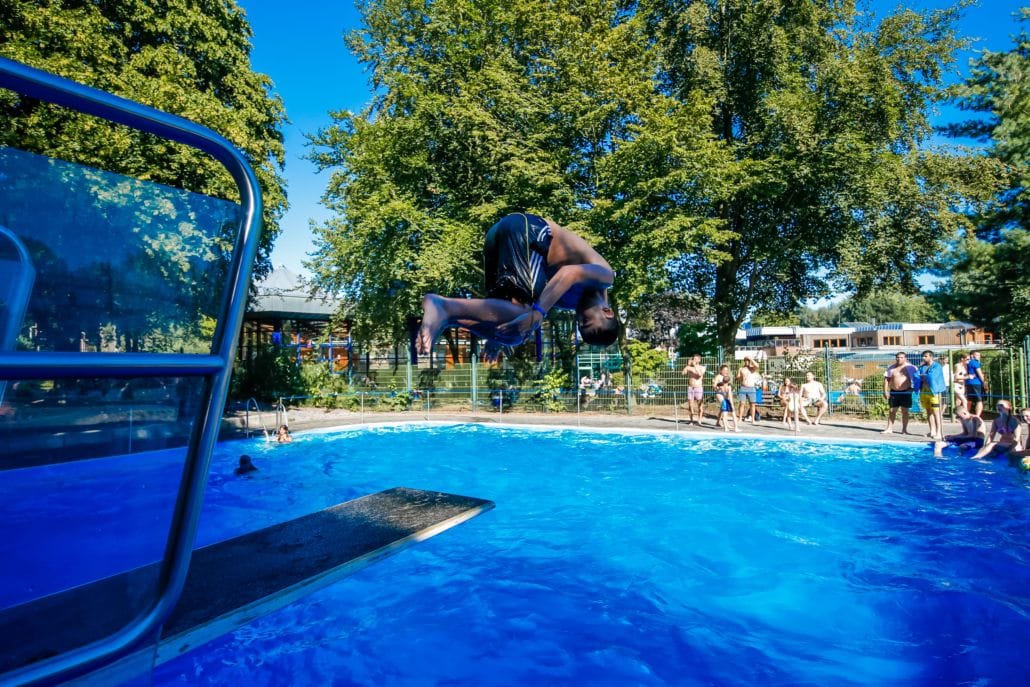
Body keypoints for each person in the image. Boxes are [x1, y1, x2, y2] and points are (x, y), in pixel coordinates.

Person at [417, 213, 617, 357]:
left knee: (515, 332)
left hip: (498, 239)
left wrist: (496, 338)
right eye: (587, 321)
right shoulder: (605, 277)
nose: (580, 317)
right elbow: (569, 273)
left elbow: (518, 310)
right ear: (607, 311)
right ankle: (443, 307)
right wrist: (537, 314)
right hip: (530, 231)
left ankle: (447, 317)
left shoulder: (570, 300)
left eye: (580, 324)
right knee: (527, 316)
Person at [882, 352, 919, 435]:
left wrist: (913, 389)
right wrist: (885, 391)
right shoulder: (891, 368)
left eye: (901, 357)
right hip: (894, 392)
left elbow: (917, 379)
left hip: (906, 392)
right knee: (892, 411)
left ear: (905, 358)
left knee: (905, 411)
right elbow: (886, 380)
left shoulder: (911, 367)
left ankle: (904, 430)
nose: (899, 359)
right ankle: (889, 428)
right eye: (898, 357)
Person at [918, 350, 947, 442]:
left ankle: (939, 432)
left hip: (934, 392)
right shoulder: (922, 367)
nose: (924, 358)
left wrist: (924, 376)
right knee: (928, 411)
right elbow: (918, 376)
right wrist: (923, 376)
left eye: (926, 356)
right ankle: (932, 431)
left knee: (936, 413)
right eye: (923, 356)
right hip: (924, 391)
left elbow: (932, 377)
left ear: (931, 357)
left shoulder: (937, 366)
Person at [681, 354, 706, 426]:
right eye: (693, 359)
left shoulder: (702, 367)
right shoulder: (689, 368)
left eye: (695, 359)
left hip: (698, 387)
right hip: (691, 388)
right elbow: (683, 373)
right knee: (690, 405)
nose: (694, 360)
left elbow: (700, 375)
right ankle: (691, 421)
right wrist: (687, 366)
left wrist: (695, 366)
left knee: (700, 405)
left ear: (699, 360)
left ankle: (699, 420)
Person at [736, 357, 761, 423]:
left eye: (748, 361)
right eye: (746, 361)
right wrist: (739, 377)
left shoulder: (752, 369)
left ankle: (753, 419)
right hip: (743, 387)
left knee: (752, 404)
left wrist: (751, 358)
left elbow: (757, 365)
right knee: (742, 403)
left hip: (751, 388)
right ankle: (740, 418)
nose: (747, 362)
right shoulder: (741, 369)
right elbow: (737, 377)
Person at [964, 350, 987, 417]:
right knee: (979, 400)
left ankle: (966, 414)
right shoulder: (975, 362)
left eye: (979, 355)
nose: (979, 357)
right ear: (972, 355)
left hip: (968, 383)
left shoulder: (968, 363)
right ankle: (977, 416)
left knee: (969, 400)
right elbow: (979, 373)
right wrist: (984, 382)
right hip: (976, 383)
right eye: (977, 355)